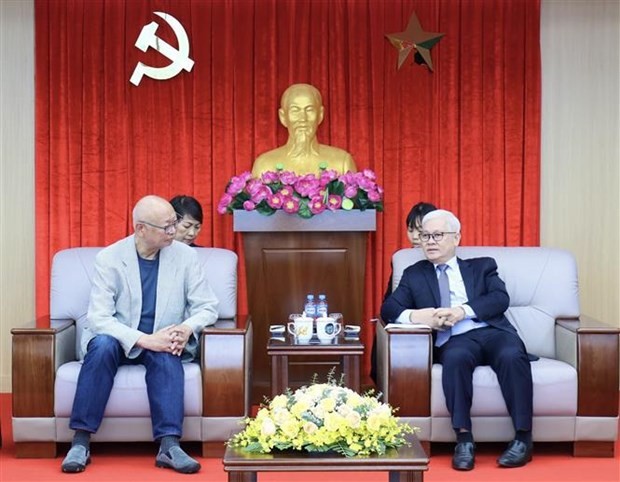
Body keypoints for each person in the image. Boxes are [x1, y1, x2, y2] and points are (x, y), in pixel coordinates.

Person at [61, 195, 219, 474]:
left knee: (168, 348)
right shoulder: (109, 258)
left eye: (174, 224)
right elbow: (99, 317)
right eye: (166, 227)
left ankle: (169, 445)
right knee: (102, 345)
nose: (174, 232)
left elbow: (207, 307)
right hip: (117, 338)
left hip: (161, 337)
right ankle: (81, 442)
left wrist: (185, 328)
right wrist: (143, 339)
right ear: (141, 229)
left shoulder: (186, 256)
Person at [381, 209, 533, 471]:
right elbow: (389, 309)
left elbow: (499, 299)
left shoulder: (482, 266)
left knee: (511, 355)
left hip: (492, 331)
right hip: (455, 339)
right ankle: (463, 439)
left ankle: (522, 438)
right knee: (455, 358)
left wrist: (463, 310)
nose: (430, 241)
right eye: (425, 235)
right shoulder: (414, 274)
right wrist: (420, 316)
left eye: (438, 235)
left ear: (456, 238)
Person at [370, 201, 437, 383]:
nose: (415, 236)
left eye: (420, 230)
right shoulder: (402, 259)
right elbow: (390, 299)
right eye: (410, 230)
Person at [251, 83, 357, 177]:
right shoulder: (264, 165)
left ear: (320, 115)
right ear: (283, 117)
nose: (303, 118)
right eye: (295, 110)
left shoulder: (342, 162)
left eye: (309, 109)